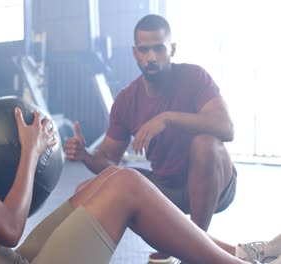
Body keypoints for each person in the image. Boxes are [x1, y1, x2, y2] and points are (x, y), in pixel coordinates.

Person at [0, 25, 280, 264]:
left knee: (105, 180)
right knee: (126, 185)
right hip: (10, 256)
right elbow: (10, 227)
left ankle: (233, 254)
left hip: (10, 260)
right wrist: (30, 152)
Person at [65, 14, 237, 263]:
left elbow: (226, 128)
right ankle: (176, 243)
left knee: (205, 143)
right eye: (144, 50)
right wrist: (85, 155)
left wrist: (167, 118)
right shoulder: (126, 100)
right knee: (87, 189)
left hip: (215, 185)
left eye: (159, 48)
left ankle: (196, 252)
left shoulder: (194, 77)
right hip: (166, 188)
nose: (151, 57)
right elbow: (108, 162)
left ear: (172, 49)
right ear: (135, 53)